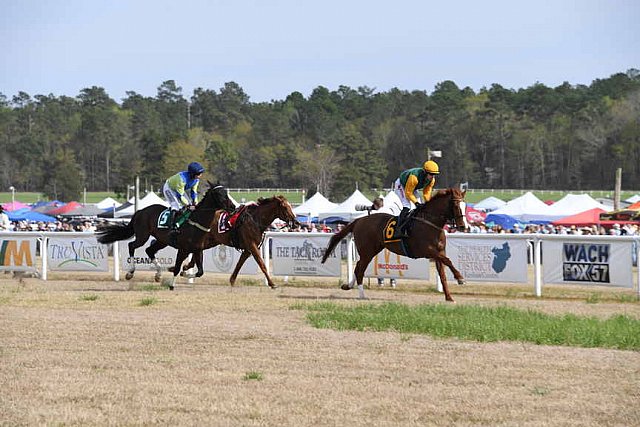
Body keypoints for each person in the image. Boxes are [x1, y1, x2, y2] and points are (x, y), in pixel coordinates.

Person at [392, 159, 439, 238]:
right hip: (401, 185)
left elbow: (426, 193)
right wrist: (416, 203)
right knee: (407, 206)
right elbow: (408, 193)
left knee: (419, 208)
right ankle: (398, 230)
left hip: (412, 188)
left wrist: (428, 203)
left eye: (434, 174)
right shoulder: (414, 177)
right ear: (425, 172)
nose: (432, 177)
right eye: (431, 174)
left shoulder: (432, 180)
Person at [162, 161, 205, 236]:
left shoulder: (196, 179)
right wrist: (188, 205)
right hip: (169, 188)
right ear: (193, 174)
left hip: (179, 190)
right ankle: (172, 227)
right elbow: (180, 196)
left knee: (191, 206)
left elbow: (193, 192)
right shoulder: (181, 179)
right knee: (176, 206)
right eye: (198, 174)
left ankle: (184, 223)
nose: (200, 175)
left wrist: (195, 202)